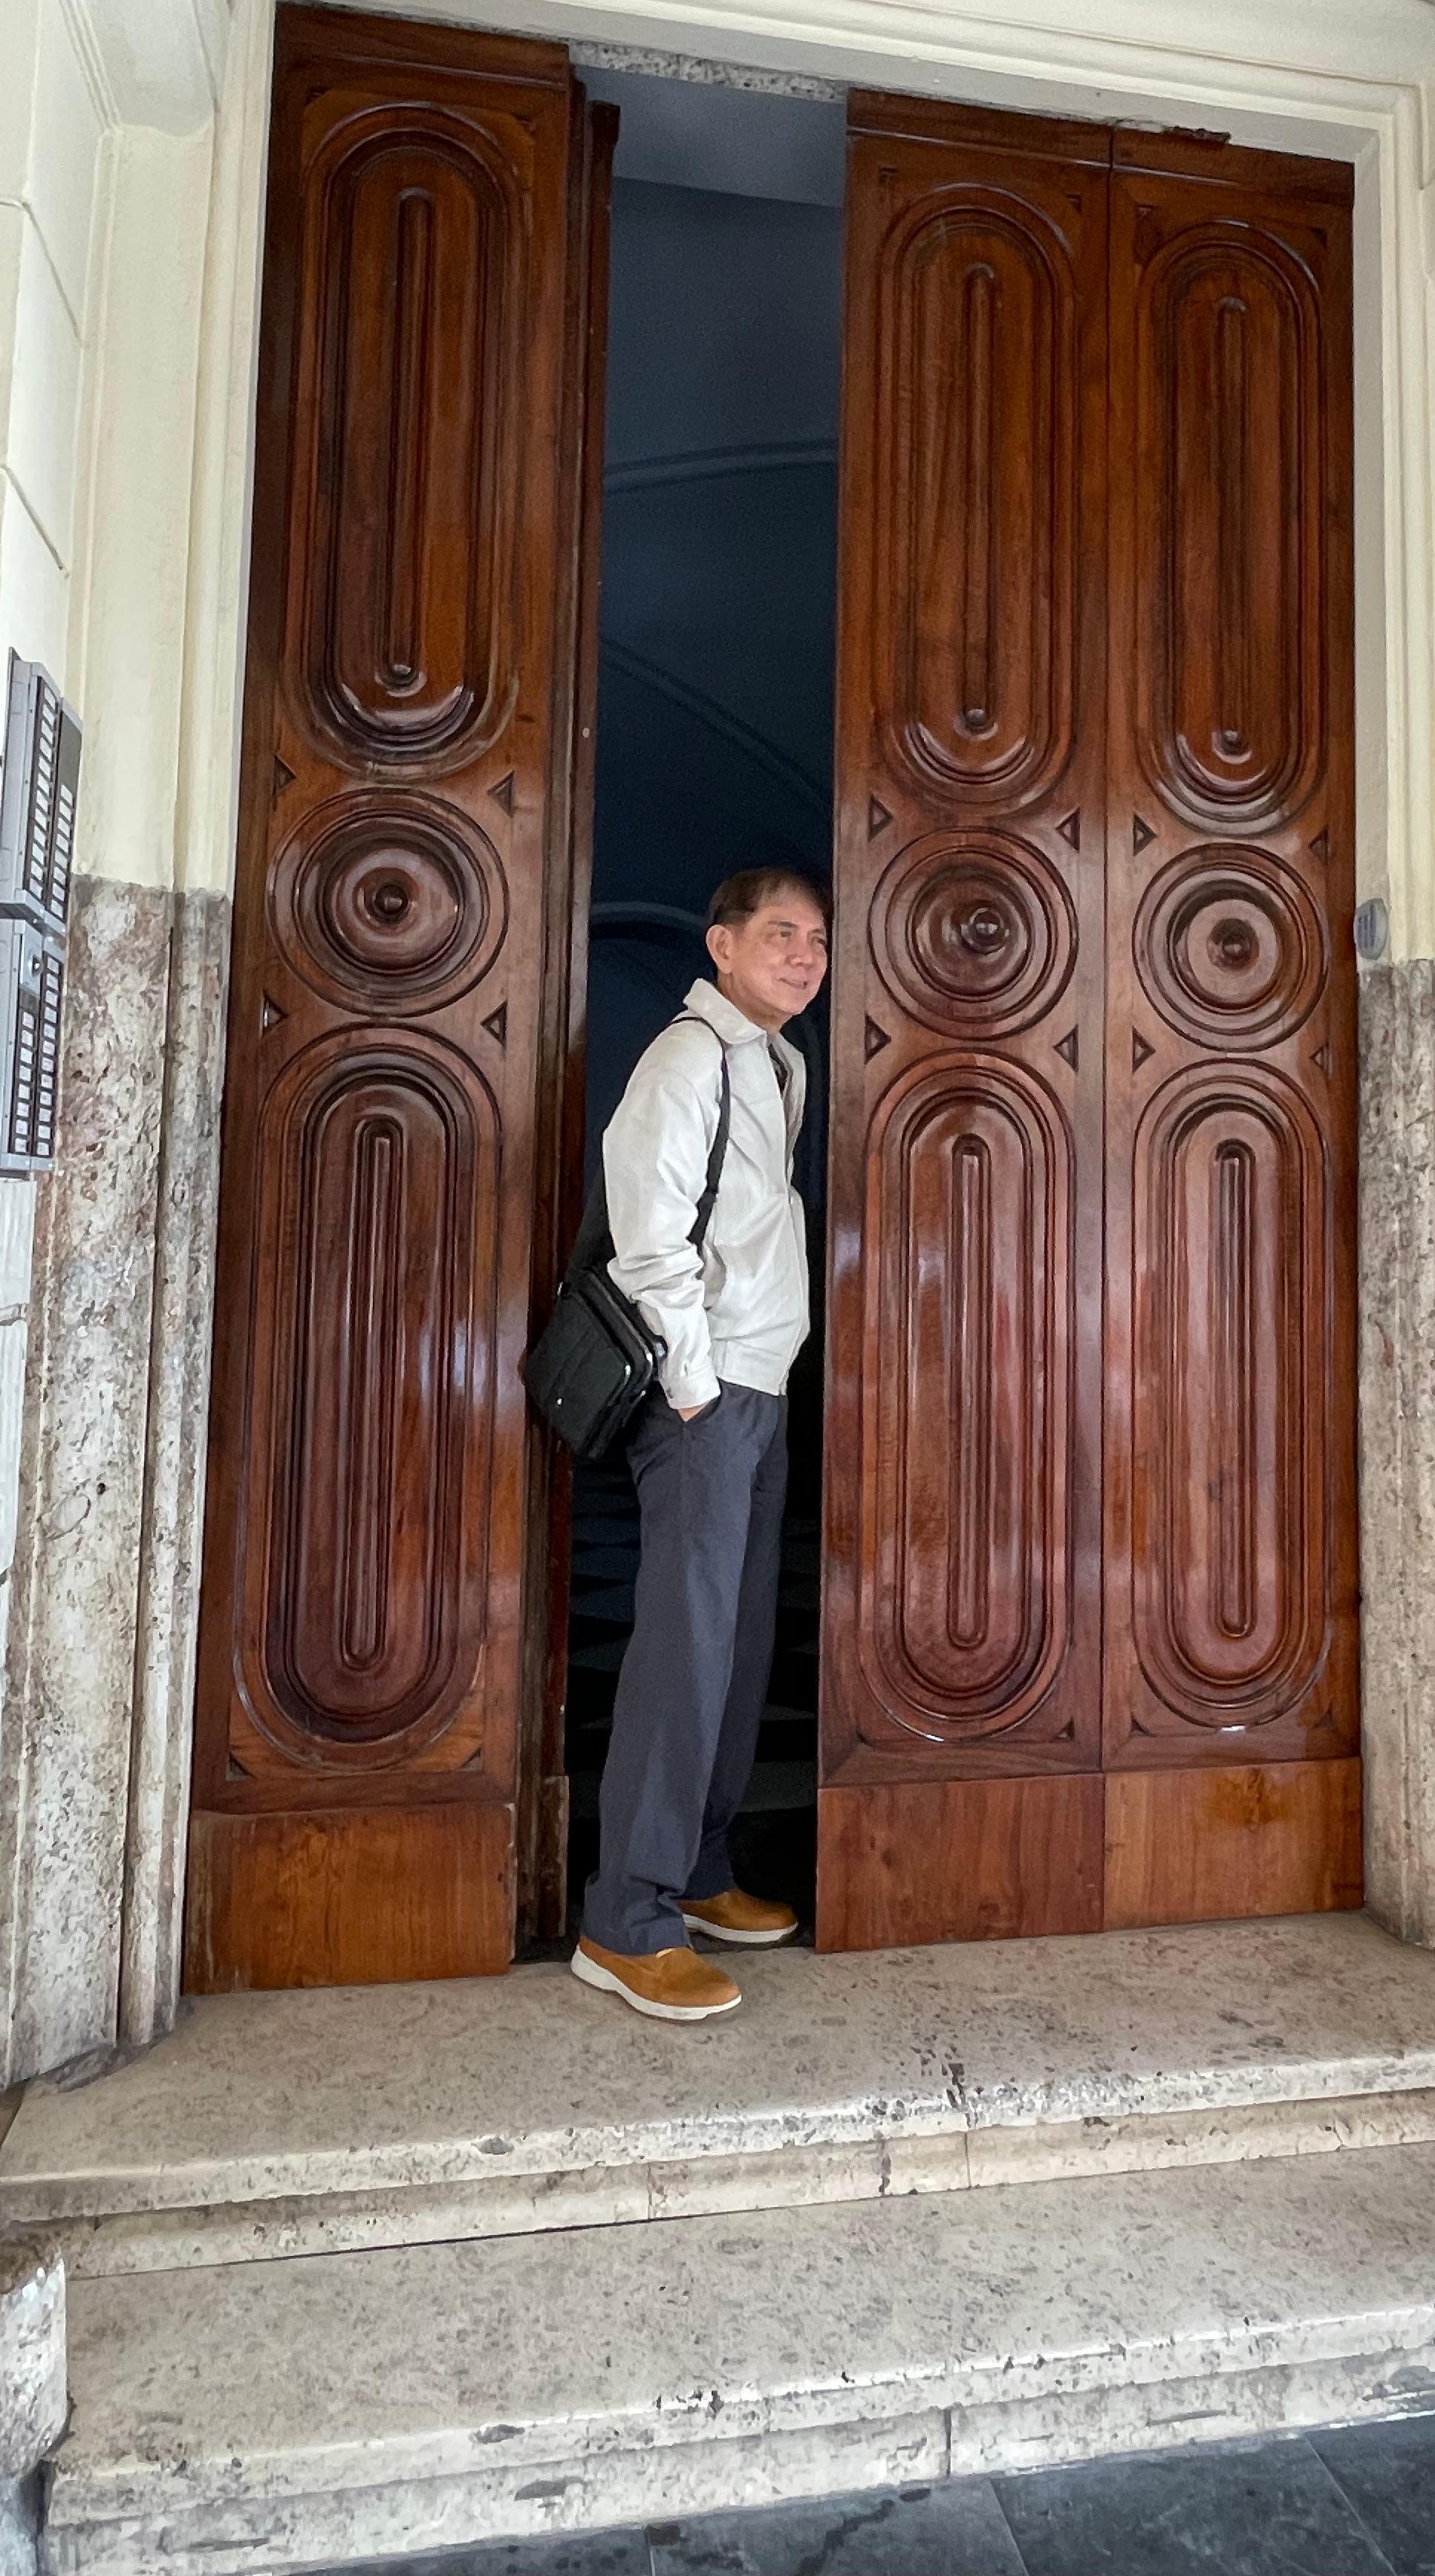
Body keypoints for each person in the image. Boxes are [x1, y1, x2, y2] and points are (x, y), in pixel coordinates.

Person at [572, 867, 829, 2023]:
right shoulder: (689, 1058)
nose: (805, 954)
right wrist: (688, 1385)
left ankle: (705, 1871)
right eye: (782, 933)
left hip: (757, 1384)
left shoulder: (781, 1063)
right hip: (707, 1389)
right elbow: (649, 1233)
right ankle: (625, 1920)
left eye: (817, 938)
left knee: (738, 1641)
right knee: (684, 1652)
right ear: (722, 945)